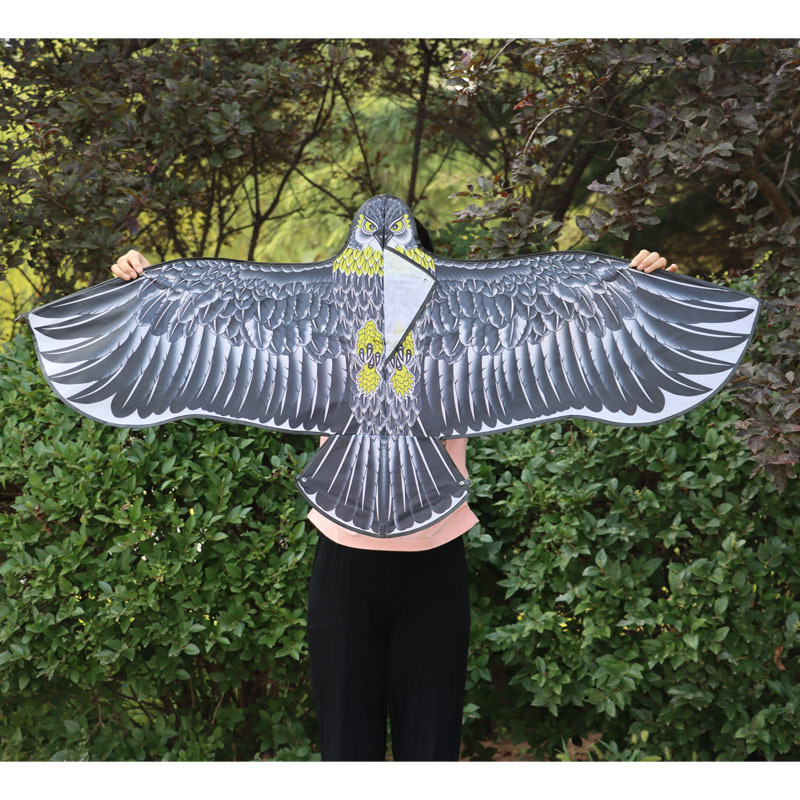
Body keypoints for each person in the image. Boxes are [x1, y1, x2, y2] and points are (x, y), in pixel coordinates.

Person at [112, 234, 677, 762]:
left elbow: (594, 321)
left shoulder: (460, 321)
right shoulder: (329, 321)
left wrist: (643, 286)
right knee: (345, 754)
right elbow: (190, 317)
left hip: (435, 564)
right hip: (344, 563)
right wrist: (140, 281)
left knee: (429, 753)